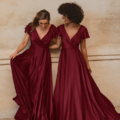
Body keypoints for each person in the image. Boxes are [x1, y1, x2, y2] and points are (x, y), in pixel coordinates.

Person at [49, 3, 120, 120]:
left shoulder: (82, 29)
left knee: (78, 86)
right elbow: (57, 45)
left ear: (71, 15)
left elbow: (83, 48)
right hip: (65, 61)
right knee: (66, 86)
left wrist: (87, 64)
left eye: (64, 15)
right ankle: (68, 111)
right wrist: (41, 47)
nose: (62, 17)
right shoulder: (60, 28)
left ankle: (79, 110)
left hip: (77, 61)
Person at [10, 9, 56, 120]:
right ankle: (31, 110)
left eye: (45, 23)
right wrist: (16, 52)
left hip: (44, 60)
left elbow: (55, 44)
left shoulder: (53, 28)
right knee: (31, 84)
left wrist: (44, 49)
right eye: (41, 23)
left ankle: (40, 113)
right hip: (30, 59)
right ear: (37, 20)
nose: (43, 25)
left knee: (41, 85)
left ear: (48, 21)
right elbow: (24, 43)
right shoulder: (31, 27)